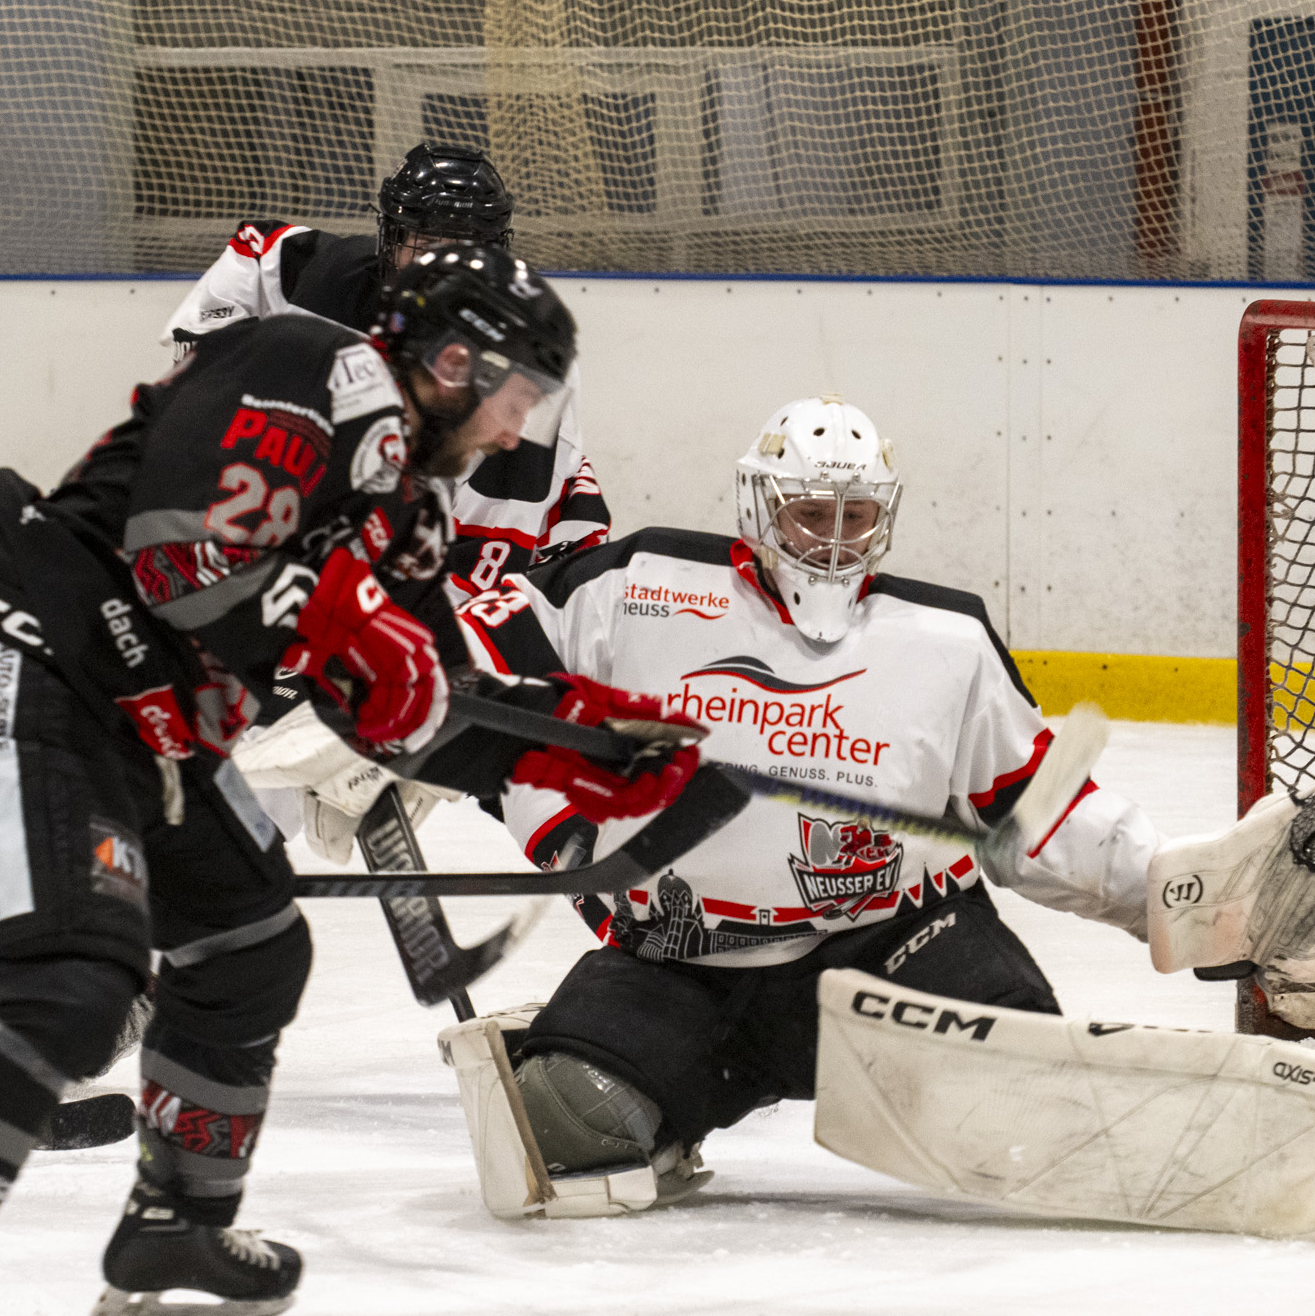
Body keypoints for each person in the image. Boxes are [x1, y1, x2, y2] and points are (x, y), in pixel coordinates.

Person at [0, 247, 702, 1316]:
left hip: (151, 722)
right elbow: (177, 554)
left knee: (250, 946)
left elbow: (417, 705)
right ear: (454, 355)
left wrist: (576, 747)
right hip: (27, 656)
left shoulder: (409, 514)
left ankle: (174, 1229)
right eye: (519, 388)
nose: (520, 422)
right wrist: (338, 625)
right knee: (70, 985)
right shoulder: (309, 360)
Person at [440, 395, 1175, 1196]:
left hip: (893, 956)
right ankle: (618, 1073)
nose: (832, 538)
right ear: (761, 508)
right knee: (566, 1130)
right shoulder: (638, 584)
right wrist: (387, 728)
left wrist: (1171, 895)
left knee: (1022, 1118)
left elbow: (1038, 810)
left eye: (855, 515)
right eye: (809, 513)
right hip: (683, 964)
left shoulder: (945, 637)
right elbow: (474, 645)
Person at [161, 142, 609, 594]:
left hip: (544, 572)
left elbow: (491, 553)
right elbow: (256, 249)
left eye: (467, 248)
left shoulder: (522, 369)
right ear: (390, 238)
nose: (444, 268)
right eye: (428, 244)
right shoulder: (333, 284)